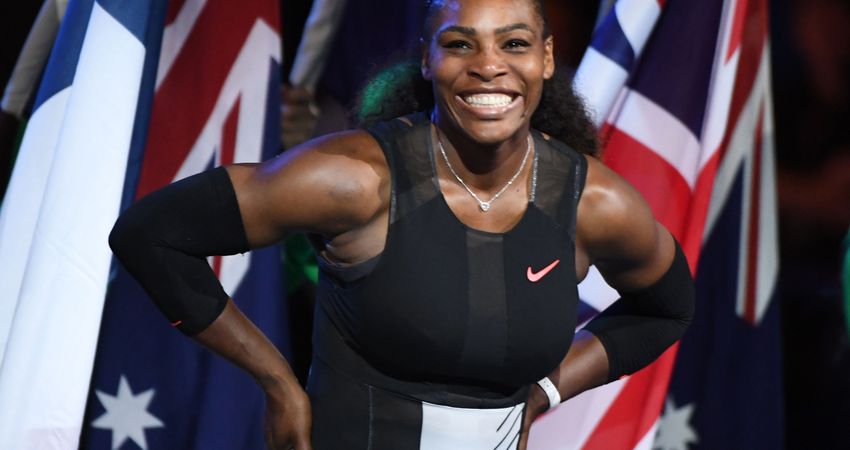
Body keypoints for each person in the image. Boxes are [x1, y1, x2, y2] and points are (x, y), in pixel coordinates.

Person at [109, 0, 695, 448]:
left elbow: (667, 309)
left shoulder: (593, 202)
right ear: (427, 59)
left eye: (514, 43)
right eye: (460, 44)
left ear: (544, 58)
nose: (489, 66)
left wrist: (546, 392)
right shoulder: (355, 179)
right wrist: (277, 382)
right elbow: (151, 235)